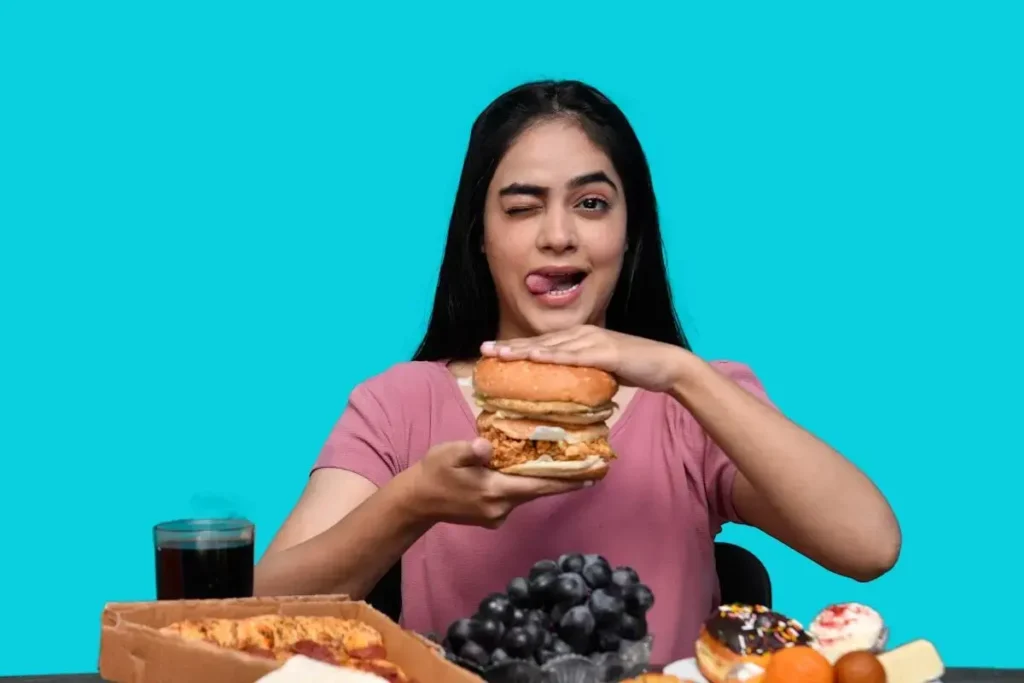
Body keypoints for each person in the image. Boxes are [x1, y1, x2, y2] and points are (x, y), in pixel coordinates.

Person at [254, 80, 901, 664]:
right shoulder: (401, 403)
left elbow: (868, 546)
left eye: (591, 204)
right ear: (479, 234)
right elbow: (255, 612)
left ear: (629, 231)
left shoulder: (692, 402)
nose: (559, 235)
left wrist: (680, 372)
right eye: (522, 206)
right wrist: (410, 503)